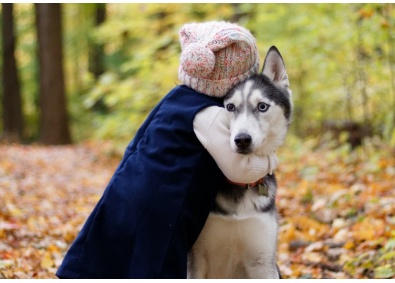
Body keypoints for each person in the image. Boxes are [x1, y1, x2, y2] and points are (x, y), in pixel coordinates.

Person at [56, 21, 277, 279]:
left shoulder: (174, 98)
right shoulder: (210, 115)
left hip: (126, 191)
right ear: (239, 79)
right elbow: (240, 170)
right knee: (156, 264)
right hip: (165, 205)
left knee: (116, 258)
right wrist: (271, 161)